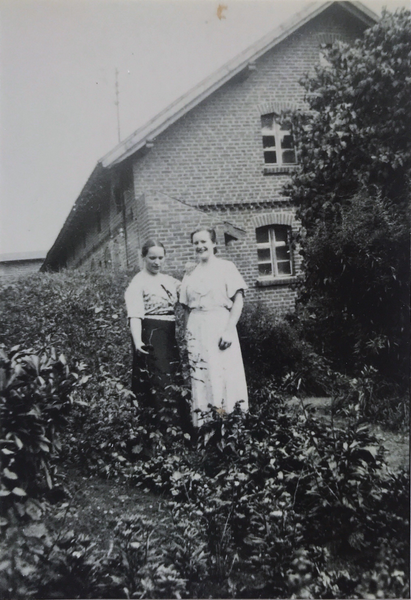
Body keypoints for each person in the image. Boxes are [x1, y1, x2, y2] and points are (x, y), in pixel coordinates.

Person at [179, 228, 249, 427]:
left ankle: (232, 426)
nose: (200, 246)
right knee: (201, 375)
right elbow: (185, 307)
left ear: (214, 244)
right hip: (197, 327)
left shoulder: (226, 267)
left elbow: (238, 301)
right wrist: (188, 335)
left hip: (220, 325)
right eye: (196, 243)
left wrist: (228, 330)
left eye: (204, 242)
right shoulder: (190, 273)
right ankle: (205, 428)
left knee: (224, 373)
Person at [124, 240, 181, 417]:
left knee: (172, 376)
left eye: (160, 258)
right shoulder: (138, 282)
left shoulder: (168, 280)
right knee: (156, 377)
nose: (157, 262)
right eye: (152, 258)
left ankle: (178, 424)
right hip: (150, 334)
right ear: (143, 257)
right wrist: (138, 342)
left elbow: (190, 291)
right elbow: (134, 314)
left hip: (168, 332)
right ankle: (157, 426)